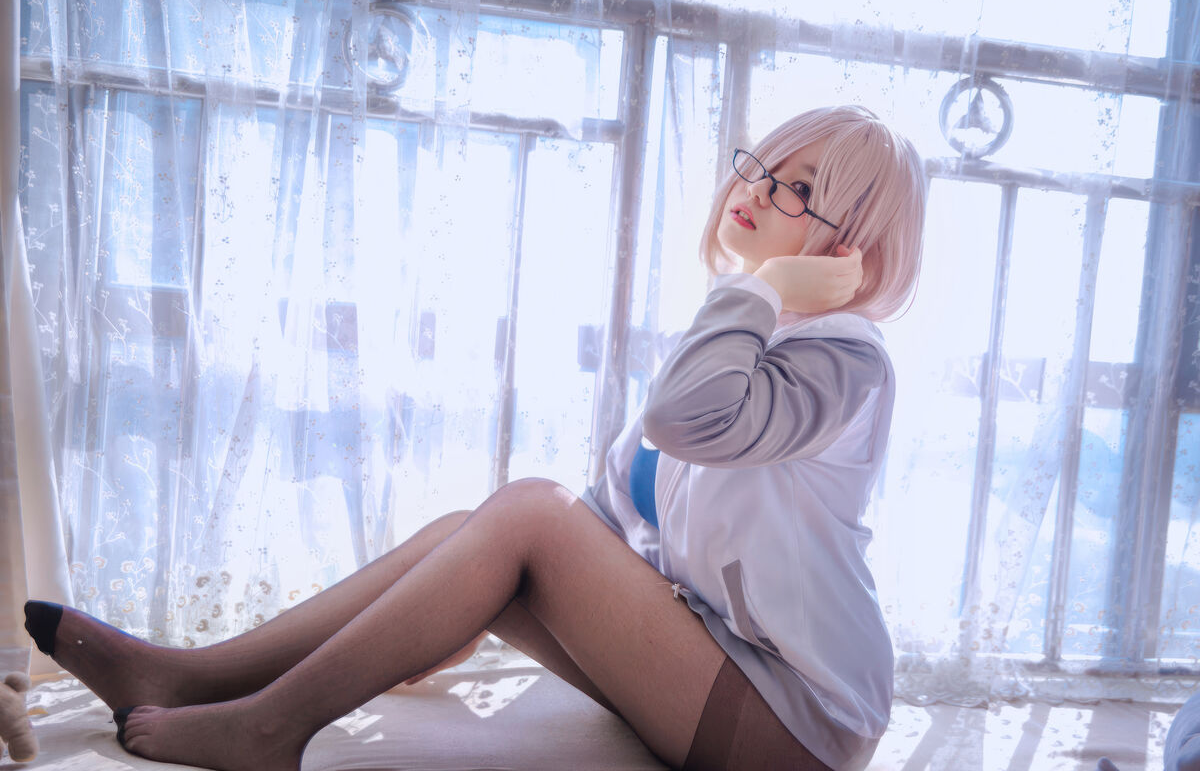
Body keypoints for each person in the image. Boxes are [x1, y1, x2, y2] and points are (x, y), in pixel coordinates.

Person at [23, 104, 925, 771]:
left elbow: (683, 420)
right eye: (763, 166)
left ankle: (269, 728)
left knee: (529, 511)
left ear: (855, 253)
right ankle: (192, 677)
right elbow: (613, 524)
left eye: (801, 190)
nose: (757, 189)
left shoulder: (845, 361)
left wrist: (761, 289)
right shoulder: (752, 334)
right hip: (721, 666)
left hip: (795, 728)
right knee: (481, 527)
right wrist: (460, 594)